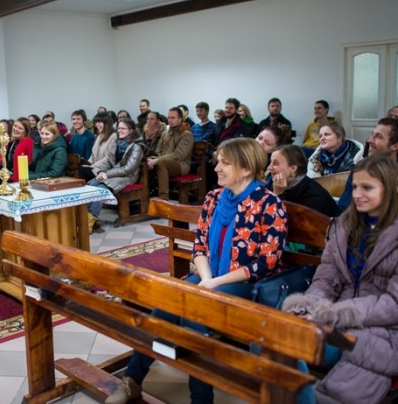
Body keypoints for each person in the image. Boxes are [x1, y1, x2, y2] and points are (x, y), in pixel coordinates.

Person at [107, 138, 287, 404]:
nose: (216, 168)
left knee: (194, 310)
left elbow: (265, 262)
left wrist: (213, 283)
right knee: (163, 307)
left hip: (246, 285)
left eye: (226, 163)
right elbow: (199, 245)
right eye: (218, 161)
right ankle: (132, 380)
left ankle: (201, 400)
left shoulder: (268, 203)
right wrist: (206, 279)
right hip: (208, 278)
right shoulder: (214, 198)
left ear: (247, 169)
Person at [282, 156, 398, 404]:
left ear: (391, 189)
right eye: (355, 186)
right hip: (336, 323)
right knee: (276, 339)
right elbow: (326, 280)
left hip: (386, 331)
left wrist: (336, 313)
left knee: (343, 390)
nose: (357, 194)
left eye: (367, 187)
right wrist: (310, 306)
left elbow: (397, 304)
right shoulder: (344, 226)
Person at [337, 117, 398, 211]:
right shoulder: (361, 169)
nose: (370, 140)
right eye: (372, 134)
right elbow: (343, 209)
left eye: (378, 136)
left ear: (395, 146)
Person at [86, 118, 144, 228]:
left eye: (123, 128)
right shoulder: (116, 142)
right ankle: (86, 217)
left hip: (127, 177)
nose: (120, 131)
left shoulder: (137, 146)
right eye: (119, 128)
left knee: (100, 190)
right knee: (91, 185)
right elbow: (109, 160)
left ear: (131, 130)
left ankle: (90, 220)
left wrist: (107, 174)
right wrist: (97, 169)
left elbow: (128, 168)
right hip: (112, 174)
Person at [267, 145, 338, 217]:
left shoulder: (314, 196)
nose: (269, 168)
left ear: (293, 168)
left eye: (275, 163)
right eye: (270, 162)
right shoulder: (274, 182)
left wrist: (278, 194)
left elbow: (283, 223)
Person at [147, 107, 193, 199]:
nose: (170, 120)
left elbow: (179, 155)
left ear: (180, 119)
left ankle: (163, 197)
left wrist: (156, 160)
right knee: (144, 161)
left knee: (160, 163)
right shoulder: (165, 133)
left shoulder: (186, 134)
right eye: (169, 118)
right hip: (164, 162)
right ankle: (145, 194)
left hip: (181, 165)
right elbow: (158, 151)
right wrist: (152, 159)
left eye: (173, 118)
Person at [0, 117, 33, 183]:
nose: (15, 129)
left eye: (20, 128)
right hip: (11, 173)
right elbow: (9, 162)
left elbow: (19, 168)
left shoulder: (26, 143)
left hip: (21, 179)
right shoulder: (16, 142)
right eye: (15, 126)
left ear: (26, 132)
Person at [83, 112, 116, 180]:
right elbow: (93, 155)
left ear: (106, 123)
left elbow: (108, 159)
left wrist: (92, 166)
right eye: (96, 123)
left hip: (106, 169)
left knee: (82, 173)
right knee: (79, 169)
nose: (96, 125)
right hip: (96, 168)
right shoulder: (99, 136)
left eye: (99, 122)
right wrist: (88, 164)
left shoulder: (114, 137)